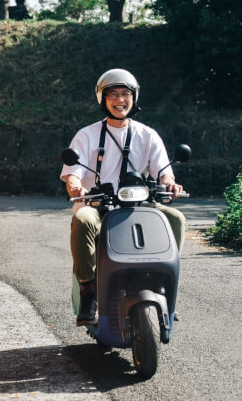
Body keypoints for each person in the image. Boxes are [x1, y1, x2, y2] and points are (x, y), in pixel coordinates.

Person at [60, 68, 186, 326]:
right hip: (97, 204)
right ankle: (88, 290)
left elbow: (163, 172)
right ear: (102, 99)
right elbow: (73, 173)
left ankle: (164, 284)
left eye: (126, 93)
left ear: (134, 98)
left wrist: (170, 184)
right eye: (113, 94)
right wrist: (75, 187)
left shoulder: (147, 135)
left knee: (175, 218)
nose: (120, 99)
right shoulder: (86, 135)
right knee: (83, 220)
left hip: (138, 203)